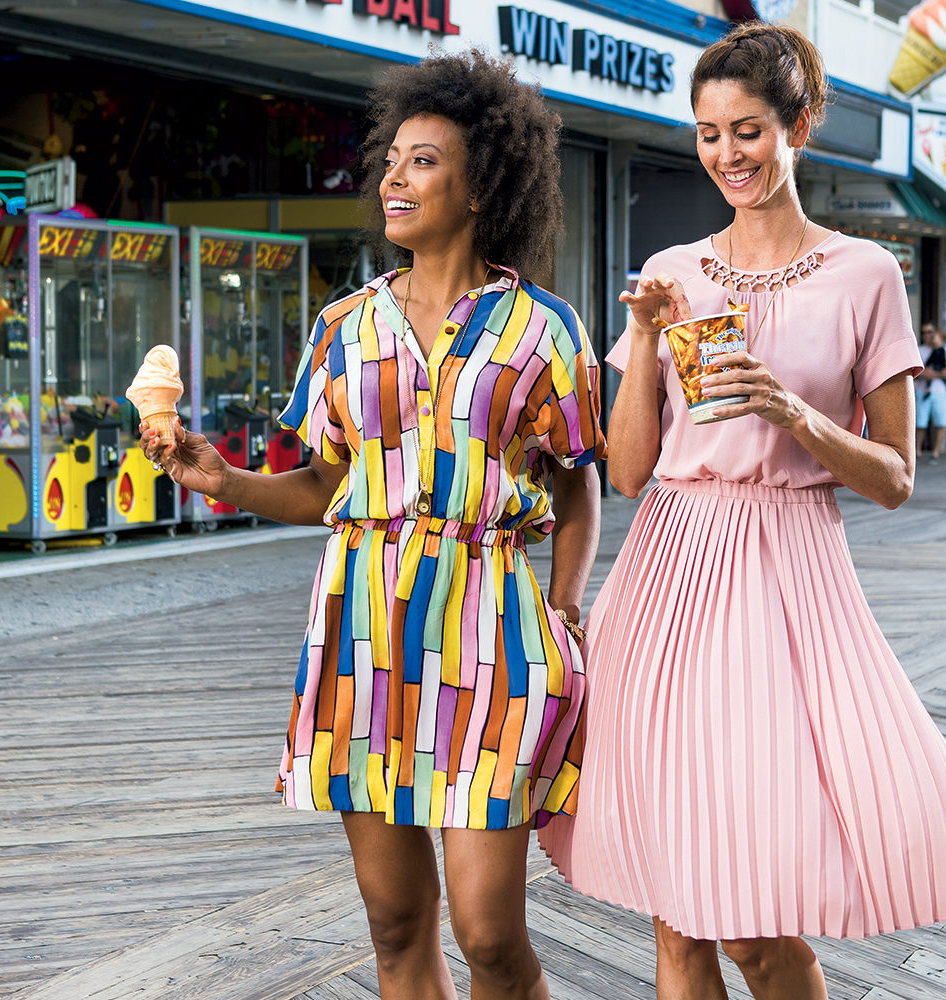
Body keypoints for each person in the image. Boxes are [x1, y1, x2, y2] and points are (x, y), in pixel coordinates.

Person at [539, 23, 946, 1000]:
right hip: (665, 578)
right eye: (708, 133)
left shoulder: (864, 273)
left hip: (787, 584)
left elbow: (895, 476)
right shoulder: (674, 268)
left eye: (746, 130)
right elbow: (626, 472)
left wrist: (793, 412)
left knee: (754, 926)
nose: (726, 154)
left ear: (797, 126)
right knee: (677, 919)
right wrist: (641, 335)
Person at [143, 50, 605, 1000]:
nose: (394, 178)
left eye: (423, 161)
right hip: (365, 631)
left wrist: (564, 606)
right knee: (394, 922)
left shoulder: (545, 328)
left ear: (481, 187)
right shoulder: (342, 326)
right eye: (391, 160)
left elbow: (576, 485)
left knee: (487, 934)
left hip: (491, 630)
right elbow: (325, 485)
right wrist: (225, 479)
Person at [915, 323, 946, 462]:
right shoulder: (920, 349)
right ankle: (917, 451)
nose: (928, 335)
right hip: (922, 390)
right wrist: (927, 374)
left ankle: (935, 452)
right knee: (920, 422)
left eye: (930, 332)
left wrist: (935, 374)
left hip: (940, 390)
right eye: (925, 332)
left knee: (941, 421)